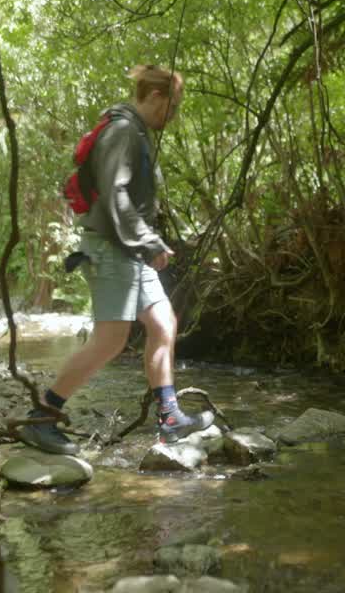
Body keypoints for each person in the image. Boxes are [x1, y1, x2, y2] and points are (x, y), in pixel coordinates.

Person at [19, 64, 214, 455]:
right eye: (171, 107)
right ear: (155, 97)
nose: (171, 117)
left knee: (163, 323)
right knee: (110, 340)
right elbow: (115, 195)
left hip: (130, 250)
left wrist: (147, 241)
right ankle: (42, 417)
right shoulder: (123, 132)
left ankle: (170, 418)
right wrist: (148, 241)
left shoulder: (133, 132)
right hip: (112, 249)